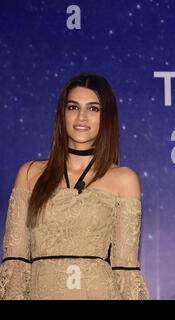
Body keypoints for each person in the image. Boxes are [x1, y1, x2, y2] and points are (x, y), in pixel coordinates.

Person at [0, 73, 150, 299]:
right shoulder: (30, 174)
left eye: (93, 109)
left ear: (106, 117)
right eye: (73, 107)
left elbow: (125, 267)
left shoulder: (123, 179)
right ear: (62, 114)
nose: (81, 117)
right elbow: (15, 260)